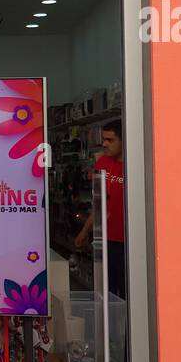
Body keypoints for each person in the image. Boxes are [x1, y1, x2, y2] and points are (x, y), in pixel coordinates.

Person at [75, 119, 126, 298]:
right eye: (104, 139)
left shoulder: (134, 165)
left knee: (127, 291)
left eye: (110, 140)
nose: (104, 144)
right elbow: (98, 204)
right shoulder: (102, 163)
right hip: (105, 238)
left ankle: (128, 326)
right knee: (108, 292)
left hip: (129, 241)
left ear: (124, 139)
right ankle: (113, 325)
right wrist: (85, 231)